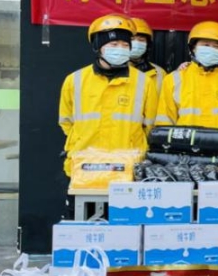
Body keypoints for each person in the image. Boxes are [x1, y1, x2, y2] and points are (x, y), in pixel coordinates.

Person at [59, 14, 158, 175]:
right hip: (85, 164)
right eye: (114, 44)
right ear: (98, 47)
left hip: (128, 164)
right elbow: (66, 122)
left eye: (125, 45)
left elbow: (151, 126)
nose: (120, 49)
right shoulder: (74, 80)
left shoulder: (144, 82)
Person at [129, 17, 166, 92]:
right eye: (131, 39)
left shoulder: (160, 73)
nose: (136, 43)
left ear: (147, 45)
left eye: (141, 40)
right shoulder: (110, 71)